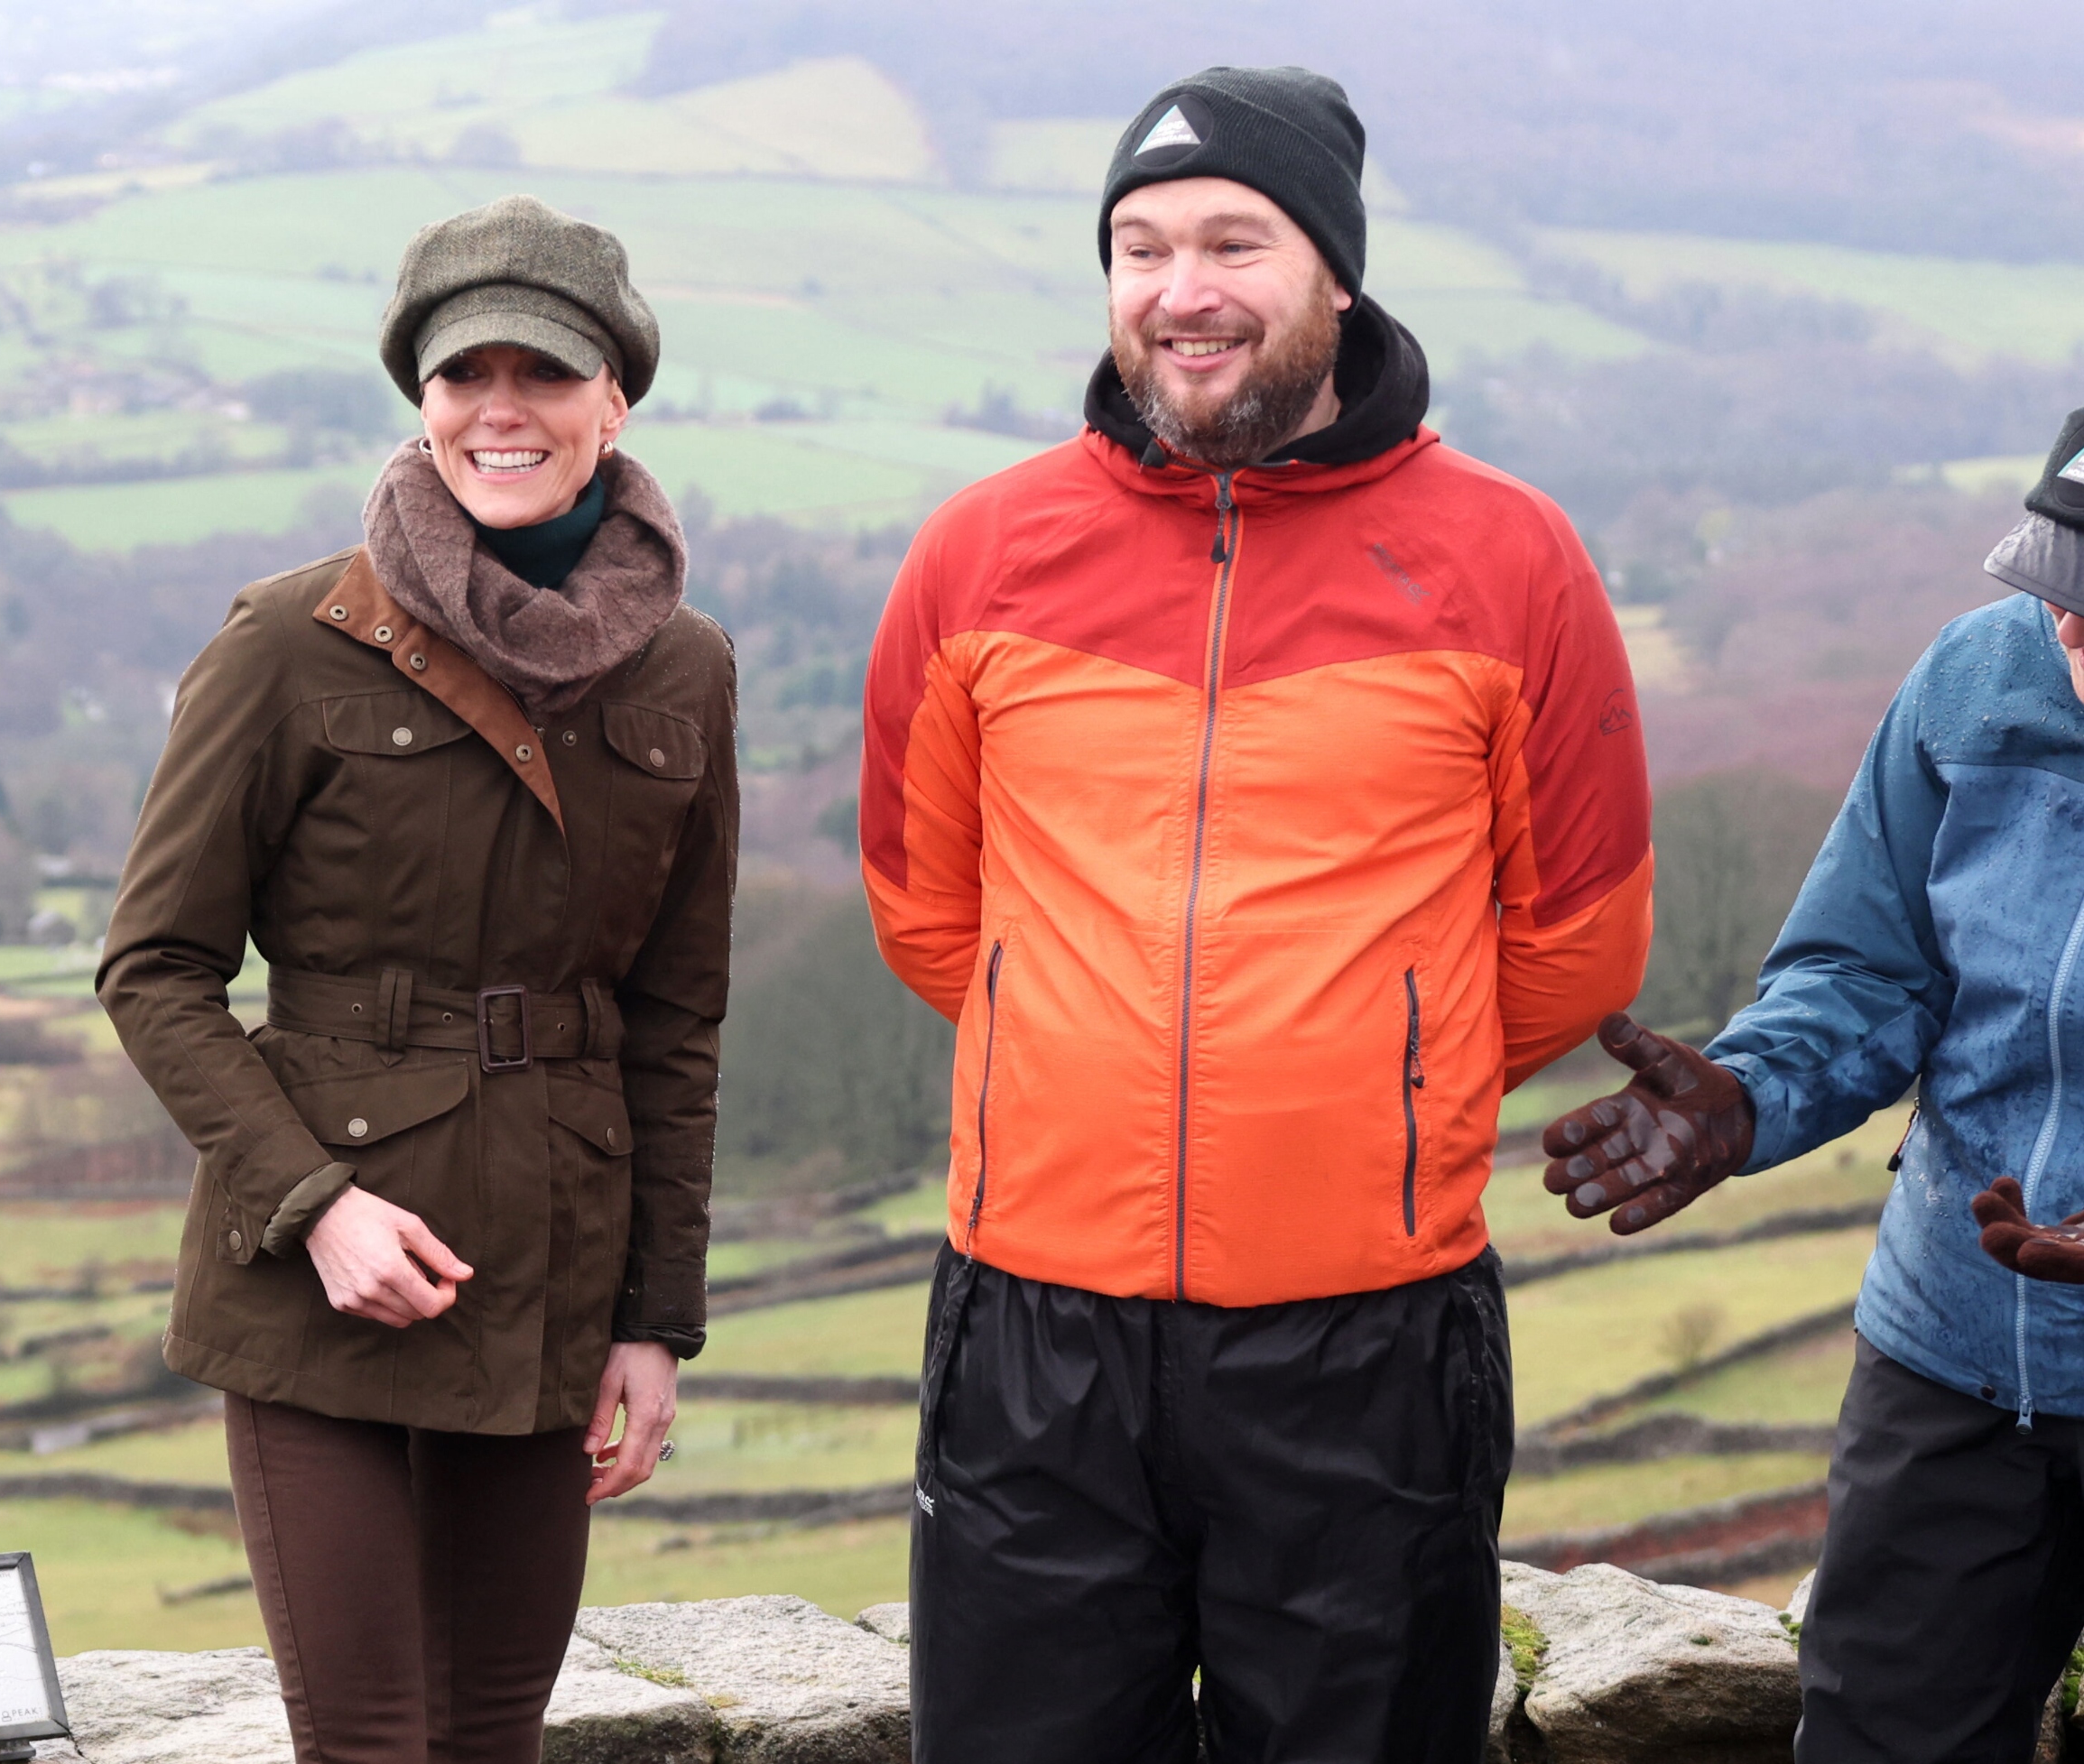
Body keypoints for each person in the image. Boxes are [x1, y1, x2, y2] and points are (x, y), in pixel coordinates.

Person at [858, 67, 1653, 1761]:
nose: (1181, 289)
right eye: (1140, 247)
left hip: (1369, 1338)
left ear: (1337, 276)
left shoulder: (1513, 559)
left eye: (1236, 240)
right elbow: (929, 915)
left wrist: (1359, 1098)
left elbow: (1578, 942)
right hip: (1031, 1337)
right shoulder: (980, 555)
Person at [98, 195, 732, 1764]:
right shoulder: (289, 641)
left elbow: (674, 1019)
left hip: (551, 1280)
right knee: (373, 1743)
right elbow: (156, 968)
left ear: (616, 399)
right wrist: (317, 1207)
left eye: (544, 374)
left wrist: (654, 1316)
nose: (498, 410)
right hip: (328, 1288)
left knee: (491, 1740)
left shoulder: (685, 670)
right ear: (421, 400)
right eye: (465, 376)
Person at [1546, 408, 2084, 1762]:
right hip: (1954, 1359)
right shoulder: (1978, 678)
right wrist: (1746, 1095)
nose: (2068, 640)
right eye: (2065, 588)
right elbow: (1869, 963)